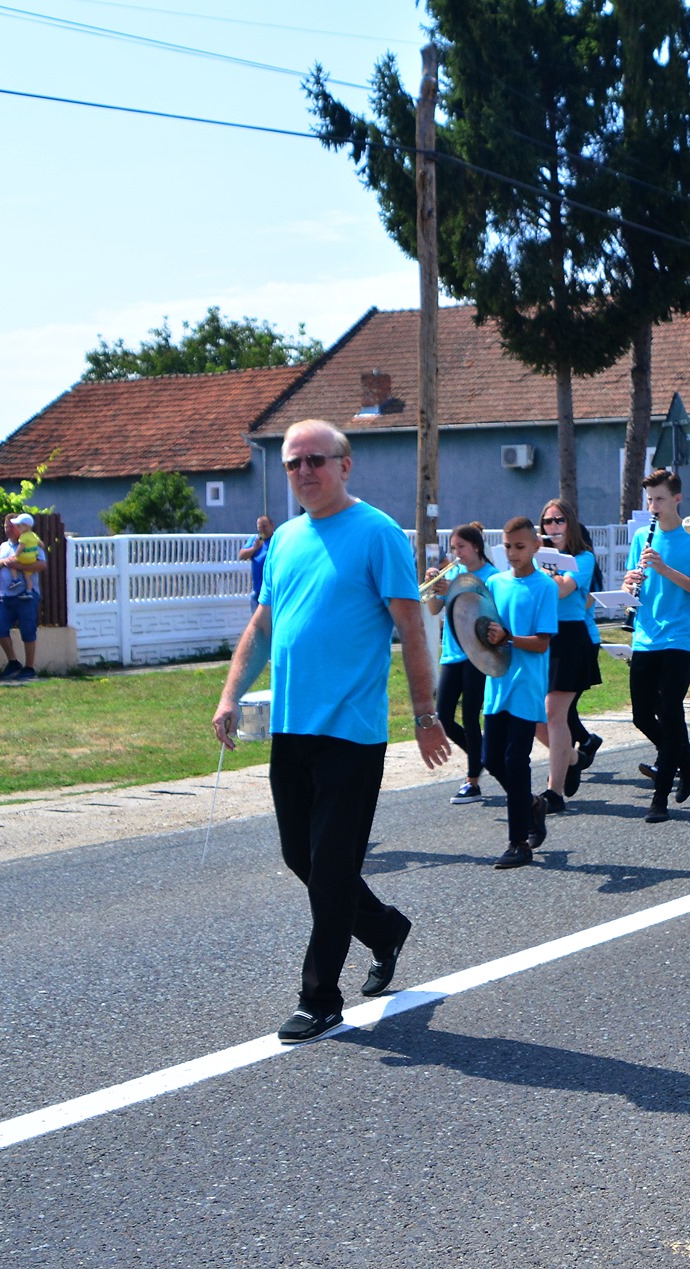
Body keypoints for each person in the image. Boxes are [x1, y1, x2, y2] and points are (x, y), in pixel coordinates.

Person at [211, 419, 452, 1045]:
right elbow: (263, 628)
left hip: (352, 734)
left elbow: (411, 630)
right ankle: (384, 929)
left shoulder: (377, 535)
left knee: (330, 866)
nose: (303, 472)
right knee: (304, 858)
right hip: (292, 729)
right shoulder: (286, 540)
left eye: (316, 460)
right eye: (293, 464)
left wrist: (425, 716)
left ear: (345, 466)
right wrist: (230, 693)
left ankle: (319, 997)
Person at [623, 469, 690, 822]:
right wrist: (630, 582)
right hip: (645, 635)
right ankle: (686, 758)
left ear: (677, 499)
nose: (653, 506)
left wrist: (665, 571)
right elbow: (631, 585)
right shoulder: (640, 537)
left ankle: (659, 797)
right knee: (640, 715)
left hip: (679, 634)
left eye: (660, 499)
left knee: (671, 710)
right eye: (649, 500)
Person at [476, 517, 559, 868]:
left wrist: (507, 637)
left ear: (536, 546)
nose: (513, 553)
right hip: (496, 684)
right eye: (508, 547)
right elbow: (482, 629)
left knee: (514, 761)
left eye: (520, 547)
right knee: (490, 759)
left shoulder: (545, 587)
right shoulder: (494, 582)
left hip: (526, 686)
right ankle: (532, 805)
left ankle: (518, 843)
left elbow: (541, 643)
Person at [534, 499, 604, 810]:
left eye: (559, 521)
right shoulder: (536, 559)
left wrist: (545, 567)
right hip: (543, 636)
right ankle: (574, 757)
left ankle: (554, 791)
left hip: (571, 637)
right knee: (535, 717)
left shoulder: (582, 557)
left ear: (570, 523)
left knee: (553, 714)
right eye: (547, 522)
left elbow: (562, 589)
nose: (553, 527)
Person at [425, 524, 490, 805]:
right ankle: (483, 755)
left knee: (470, 717)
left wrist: (454, 589)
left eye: (460, 547)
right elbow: (433, 609)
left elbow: (485, 612)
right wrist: (430, 584)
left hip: (477, 653)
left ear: (476, 547)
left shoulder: (492, 576)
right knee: (443, 717)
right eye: (453, 548)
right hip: (452, 654)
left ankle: (472, 780)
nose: (456, 553)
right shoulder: (451, 572)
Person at [0, 513, 43, 680]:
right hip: (6, 596)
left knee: (27, 629)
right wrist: (3, 562)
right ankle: (13, 662)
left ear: (19, 527)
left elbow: (41, 564)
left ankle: (29, 667)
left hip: (26, 595)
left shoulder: (31, 542)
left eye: (11, 527)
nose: (8, 530)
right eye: (6, 527)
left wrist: (19, 565)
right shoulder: (3, 547)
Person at [238, 515, 276, 607]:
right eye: (259, 528)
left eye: (264, 527)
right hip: (258, 591)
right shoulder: (256, 540)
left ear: (272, 526)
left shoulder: (277, 540)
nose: (262, 530)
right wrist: (254, 548)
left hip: (273, 590)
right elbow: (242, 555)